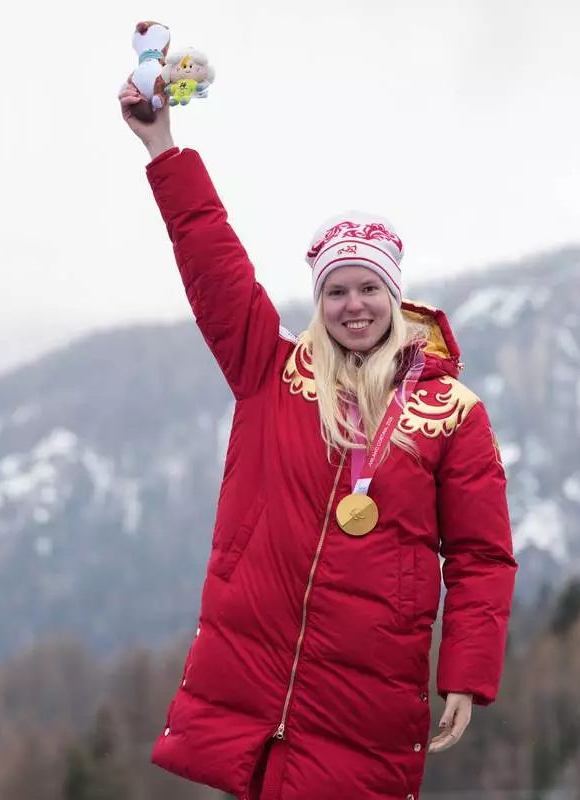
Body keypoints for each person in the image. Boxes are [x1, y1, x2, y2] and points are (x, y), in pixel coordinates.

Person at [118, 80, 518, 800]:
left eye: (369, 289)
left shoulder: (451, 412)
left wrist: (466, 673)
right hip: (257, 686)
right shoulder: (270, 373)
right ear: (318, 301)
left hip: (368, 695)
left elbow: (482, 558)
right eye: (336, 291)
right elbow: (212, 261)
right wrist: (162, 146)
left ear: (396, 297)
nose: (353, 306)